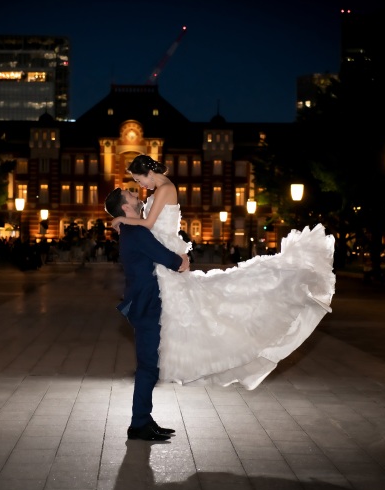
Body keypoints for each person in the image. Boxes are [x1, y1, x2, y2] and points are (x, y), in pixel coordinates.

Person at [112, 154, 336, 390]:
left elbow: (148, 225)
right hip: (161, 256)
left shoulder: (165, 188)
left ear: (149, 172)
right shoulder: (157, 191)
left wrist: (121, 219)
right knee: (180, 312)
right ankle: (165, 362)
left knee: (193, 308)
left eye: (139, 180)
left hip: (166, 255)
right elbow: (148, 228)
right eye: (137, 183)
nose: (140, 185)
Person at [104, 187, 190, 442]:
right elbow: (170, 260)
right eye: (130, 194)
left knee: (148, 365)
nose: (135, 193)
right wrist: (182, 259)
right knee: (148, 367)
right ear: (126, 207)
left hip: (144, 303)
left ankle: (143, 419)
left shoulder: (133, 228)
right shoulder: (137, 232)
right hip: (146, 305)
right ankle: (139, 424)